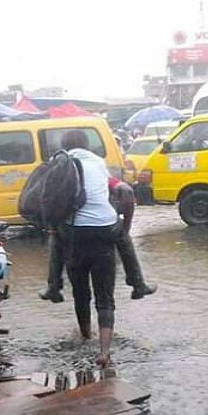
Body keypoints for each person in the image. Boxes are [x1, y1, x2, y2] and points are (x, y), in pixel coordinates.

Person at [48, 130, 122, 367]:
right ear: (87, 144)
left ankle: (84, 335)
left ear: (65, 145)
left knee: (80, 291)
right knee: (105, 296)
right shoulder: (98, 162)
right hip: (104, 229)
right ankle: (104, 352)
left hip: (74, 232)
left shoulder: (59, 163)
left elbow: (51, 199)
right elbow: (110, 190)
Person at [39, 172, 156, 303]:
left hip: (72, 226)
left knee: (55, 239)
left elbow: (47, 200)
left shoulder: (63, 172)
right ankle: (137, 283)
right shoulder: (99, 171)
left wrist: (52, 226)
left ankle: (53, 287)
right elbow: (127, 191)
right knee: (124, 238)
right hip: (104, 226)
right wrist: (126, 228)